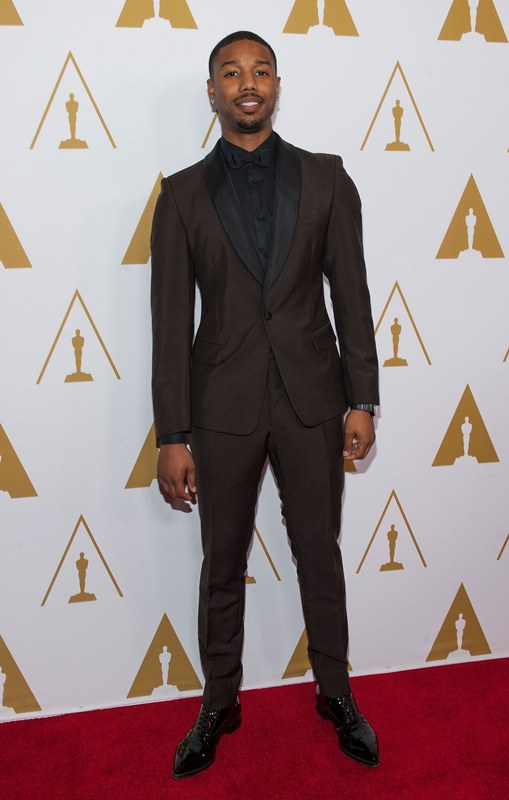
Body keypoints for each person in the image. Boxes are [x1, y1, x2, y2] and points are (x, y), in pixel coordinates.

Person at [151, 31, 380, 779]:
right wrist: (172, 434)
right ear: (212, 91)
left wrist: (362, 398)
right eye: (231, 72)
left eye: (260, 71)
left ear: (277, 85)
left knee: (319, 551)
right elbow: (168, 325)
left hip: (314, 401)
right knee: (221, 562)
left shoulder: (327, 178)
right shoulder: (181, 195)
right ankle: (219, 701)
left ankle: (336, 692)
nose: (247, 83)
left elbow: (351, 296)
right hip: (220, 406)